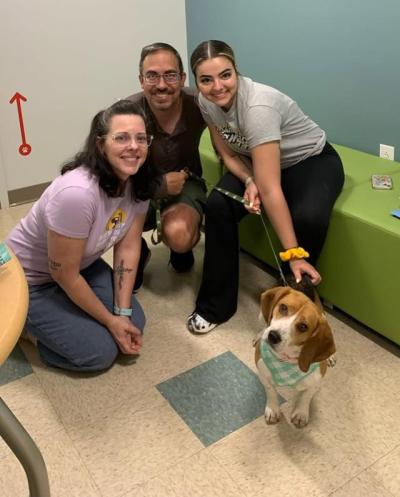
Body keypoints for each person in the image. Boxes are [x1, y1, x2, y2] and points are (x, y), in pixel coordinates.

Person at [186, 40, 345, 334]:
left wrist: (293, 253)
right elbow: (229, 154)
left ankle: (288, 296)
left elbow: (271, 189)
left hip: (310, 160)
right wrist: (249, 180)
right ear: (197, 82)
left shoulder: (258, 107)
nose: (217, 86)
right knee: (219, 204)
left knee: (307, 216)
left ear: (236, 71)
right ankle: (215, 306)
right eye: (206, 79)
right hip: (255, 161)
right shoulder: (205, 101)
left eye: (225, 75)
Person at [5, 100, 157, 372]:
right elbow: (63, 274)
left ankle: (73, 316)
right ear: (100, 145)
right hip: (28, 280)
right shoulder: (77, 194)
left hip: (81, 266)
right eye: (121, 138)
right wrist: (111, 323)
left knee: (135, 321)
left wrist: (121, 315)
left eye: (141, 138)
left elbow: (129, 246)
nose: (134, 146)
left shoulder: (138, 181)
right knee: (97, 353)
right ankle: (24, 331)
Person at [127, 42, 206, 282]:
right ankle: (137, 252)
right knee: (105, 220)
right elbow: (109, 177)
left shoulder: (203, 104)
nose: (161, 85)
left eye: (170, 75)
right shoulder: (126, 114)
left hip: (188, 184)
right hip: (138, 189)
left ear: (182, 78)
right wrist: (158, 185)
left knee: (180, 236)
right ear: (141, 80)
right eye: (152, 76)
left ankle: (179, 245)